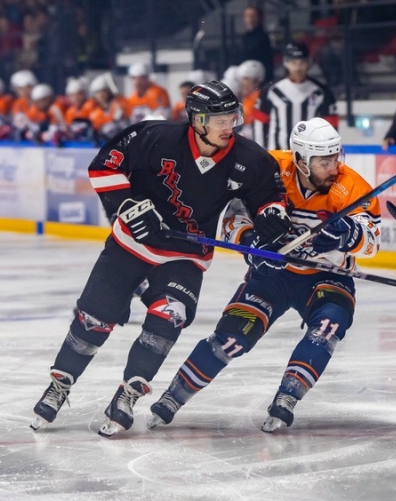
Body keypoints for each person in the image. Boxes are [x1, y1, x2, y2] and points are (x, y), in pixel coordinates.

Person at [30, 81, 292, 437]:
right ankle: (59, 385)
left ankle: (128, 394)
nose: (229, 125)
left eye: (232, 116)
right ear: (198, 120)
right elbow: (104, 166)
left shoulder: (250, 158)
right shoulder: (154, 136)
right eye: (220, 118)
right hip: (131, 245)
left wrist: (273, 215)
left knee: (169, 318)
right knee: (94, 319)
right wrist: (127, 206)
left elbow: (269, 195)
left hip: (185, 254)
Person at [147, 117, 381, 433]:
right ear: (300, 160)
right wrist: (252, 245)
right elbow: (232, 218)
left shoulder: (350, 186)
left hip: (327, 277)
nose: (332, 167)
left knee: (328, 327)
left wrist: (348, 235)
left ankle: (287, 398)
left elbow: (371, 241)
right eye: (323, 160)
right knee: (232, 338)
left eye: (334, 157)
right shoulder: (268, 170)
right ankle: (173, 397)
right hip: (273, 276)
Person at [253, 41, 338, 150]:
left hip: (310, 156)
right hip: (278, 156)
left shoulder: (322, 92)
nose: (298, 68)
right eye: (293, 62)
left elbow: (331, 126)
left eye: (302, 62)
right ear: (286, 63)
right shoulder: (271, 90)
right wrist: (260, 152)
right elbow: (259, 122)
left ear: (308, 63)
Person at [239, 5, 274, 85]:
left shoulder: (262, 37)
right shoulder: (245, 37)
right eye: (246, 16)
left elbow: (250, 54)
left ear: (258, 18)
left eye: (252, 16)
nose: (249, 19)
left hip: (258, 75)